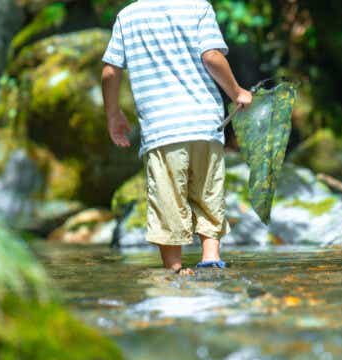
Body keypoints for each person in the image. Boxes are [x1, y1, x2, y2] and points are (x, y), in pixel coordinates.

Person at [101, 0, 253, 274]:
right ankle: (211, 258)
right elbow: (212, 56)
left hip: (162, 128)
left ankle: (175, 269)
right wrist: (236, 92)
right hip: (204, 122)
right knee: (209, 192)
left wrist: (113, 114)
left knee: (168, 198)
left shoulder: (128, 16)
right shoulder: (198, 7)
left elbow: (110, 71)